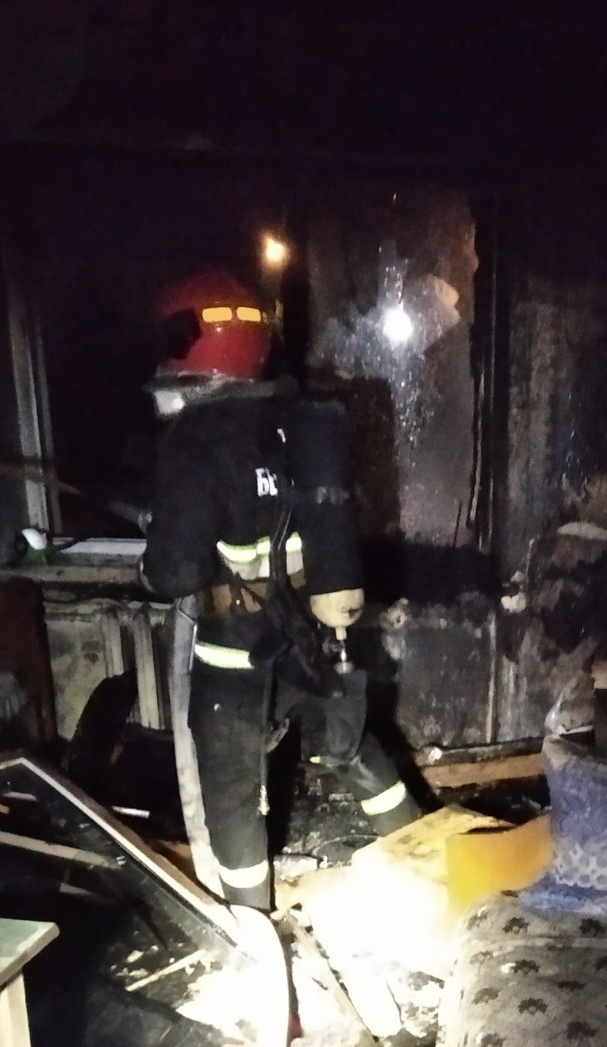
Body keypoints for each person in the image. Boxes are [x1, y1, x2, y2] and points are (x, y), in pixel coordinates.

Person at [140, 267, 420, 910]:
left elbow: (177, 574)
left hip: (235, 654)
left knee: (232, 795)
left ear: (183, 342)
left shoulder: (197, 438)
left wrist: (149, 566)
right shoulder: (300, 420)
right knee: (353, 750)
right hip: (314, 638)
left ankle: (251, 927)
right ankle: (425, 858)